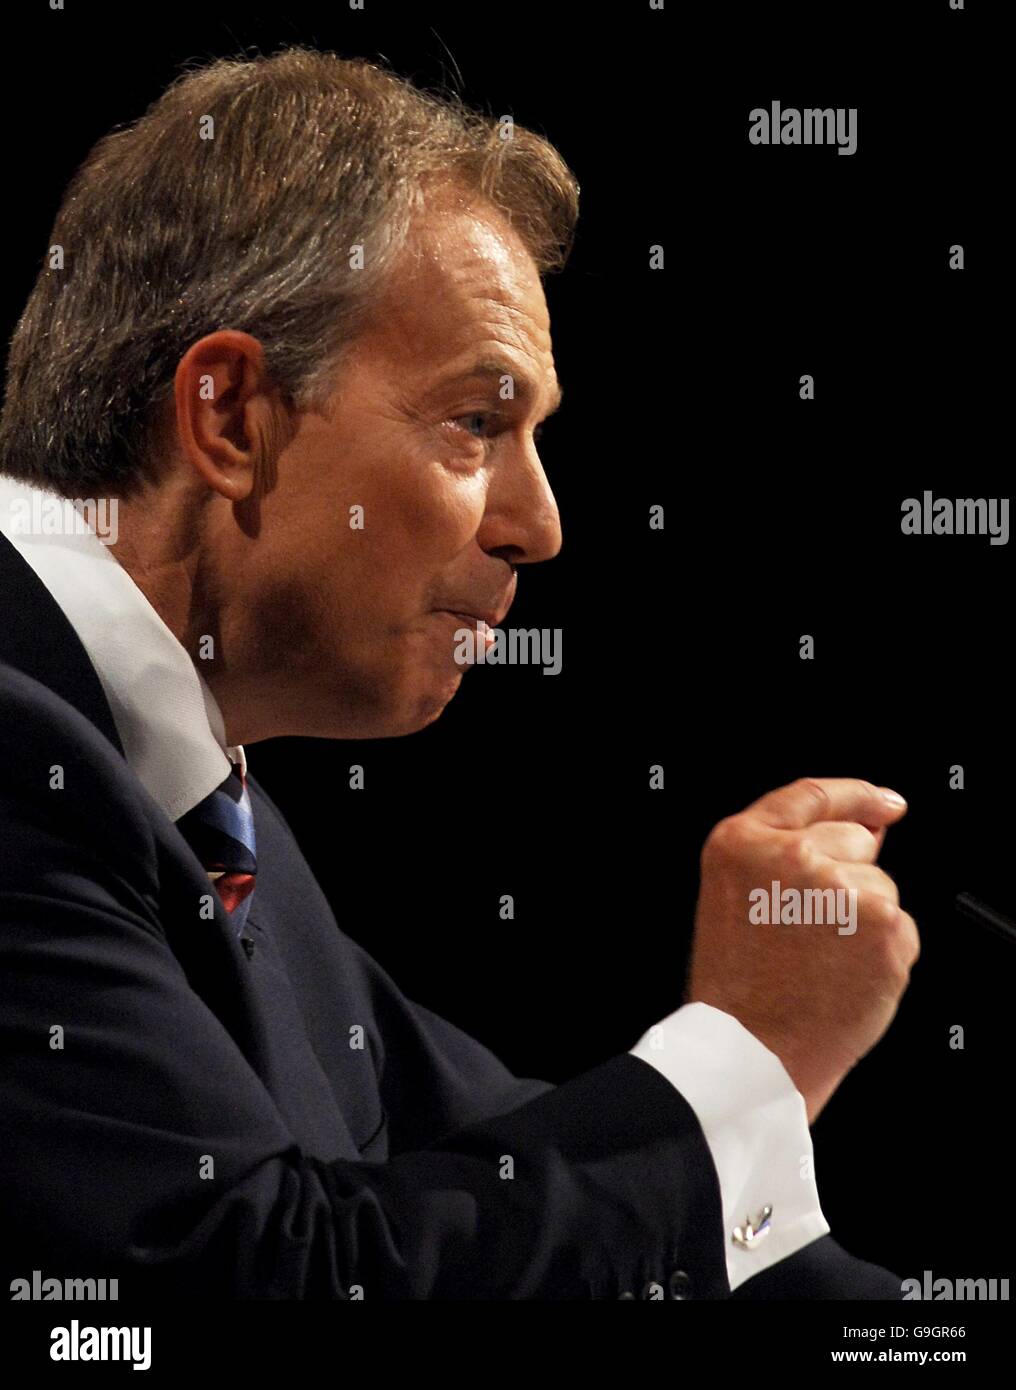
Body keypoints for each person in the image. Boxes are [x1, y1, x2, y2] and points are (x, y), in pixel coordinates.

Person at [0, 47, 918, 1299]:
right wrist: (751, 1043)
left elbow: (499, 1201)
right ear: (226, 417)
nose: (538, 524)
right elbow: (245, 1282)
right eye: (476, 423)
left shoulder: (205, 808)